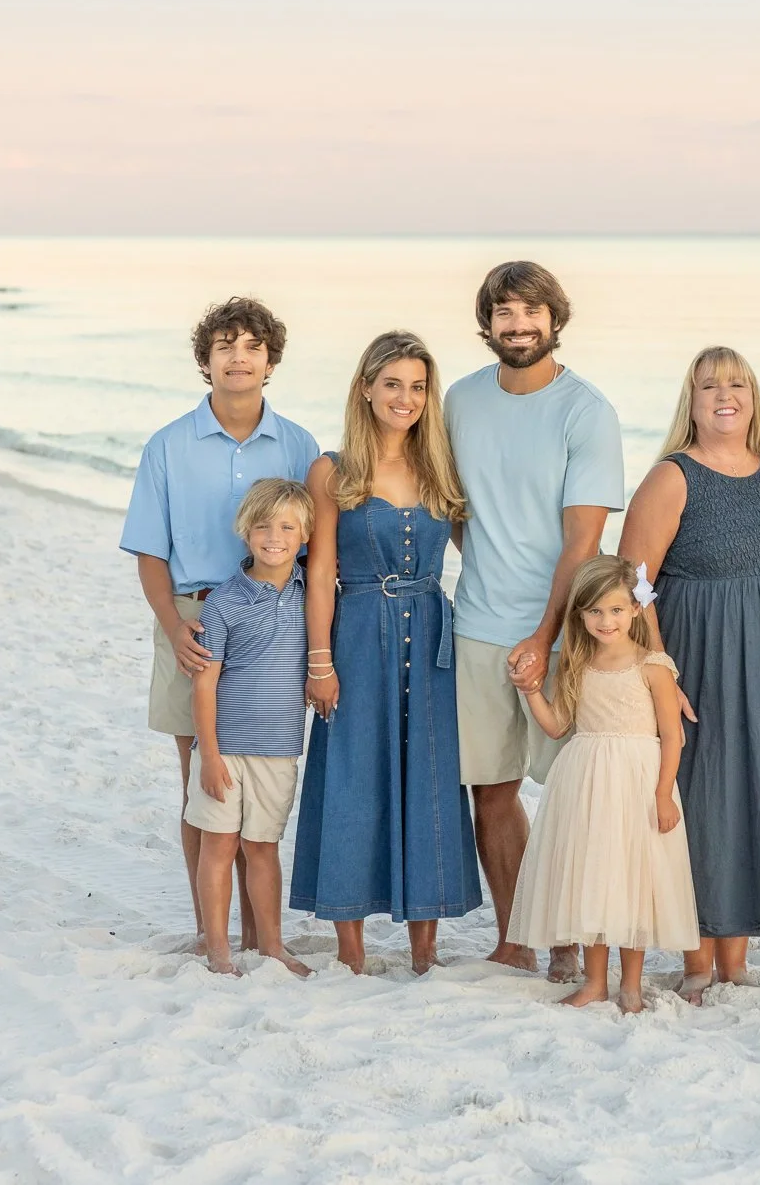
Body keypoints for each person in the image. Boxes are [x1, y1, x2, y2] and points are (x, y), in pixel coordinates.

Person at [120, 297, 319, 951]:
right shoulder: (169, 445)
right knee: (203, 775)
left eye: (252, 346)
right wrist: (174, 626)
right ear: (205, 362)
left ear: (271, 360)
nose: (239, 356)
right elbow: (151, 550)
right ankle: (214, 933)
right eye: (225, 345)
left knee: (254, 771)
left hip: (274, 621)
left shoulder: (298, 445)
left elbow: (314, 551)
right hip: (193, 616)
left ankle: (264, 935)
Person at [617, 346, 760, 1001]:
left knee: (758, 797)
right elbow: (634, 587)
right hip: (700, 663)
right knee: (706, 804)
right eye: (709, 385)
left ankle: (736, 961)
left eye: (736, 383)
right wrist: (659, 676)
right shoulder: (672, 478)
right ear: (691, 401)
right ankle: (697, 960)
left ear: (753, 397)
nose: (724, 394)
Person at [447, 261, 624, 979]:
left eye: (531, 314)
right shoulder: (457, 400)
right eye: (505, 314)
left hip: (568, 635)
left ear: (556, 319)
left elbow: (582, 543)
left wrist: (545, 636)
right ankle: (517, 933)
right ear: (487, 324)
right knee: (490, 790)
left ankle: (571, 938)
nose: (519, 327)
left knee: (573, 792)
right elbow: (456, 512)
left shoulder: (587, 410)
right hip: (478, 625)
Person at [291, 331, 482, 975]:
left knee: (428, 776)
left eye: (418, 387)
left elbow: (489, 552)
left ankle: (424, 948)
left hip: (431, 635)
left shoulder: (440, 470)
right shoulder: (331, 470)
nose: (406, 398)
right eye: (393, 384)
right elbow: (319, 573)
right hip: (357, 631)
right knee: (351, 776)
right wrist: (320, 662)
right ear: (366, 387)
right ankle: (352, 950)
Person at [507, 556, 698, 1012]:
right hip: (586, 781)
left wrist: (662, 795)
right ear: (581, 615)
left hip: (638, 783)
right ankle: (595, 981)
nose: (605, 621)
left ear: (635, 609)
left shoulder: (654, 666)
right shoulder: (579, 662)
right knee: (593, 878)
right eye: (594, 611)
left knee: (632, 880)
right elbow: (557, 726)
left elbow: (673, 736)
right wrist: (531, 691)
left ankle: (631, 985)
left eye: (615, 610)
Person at [185, 478, 317, 978]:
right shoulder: (223, 601)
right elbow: (204, 685)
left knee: (263, 848)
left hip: (279, 749)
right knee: (218, 846)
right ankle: (218, 952)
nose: (274, 536)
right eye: (263, 526)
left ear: (305, 535)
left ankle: (272, 947)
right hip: (225, 747)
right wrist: (210, 756)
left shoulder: (314, 596)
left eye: (287, 526)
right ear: (246, 533)